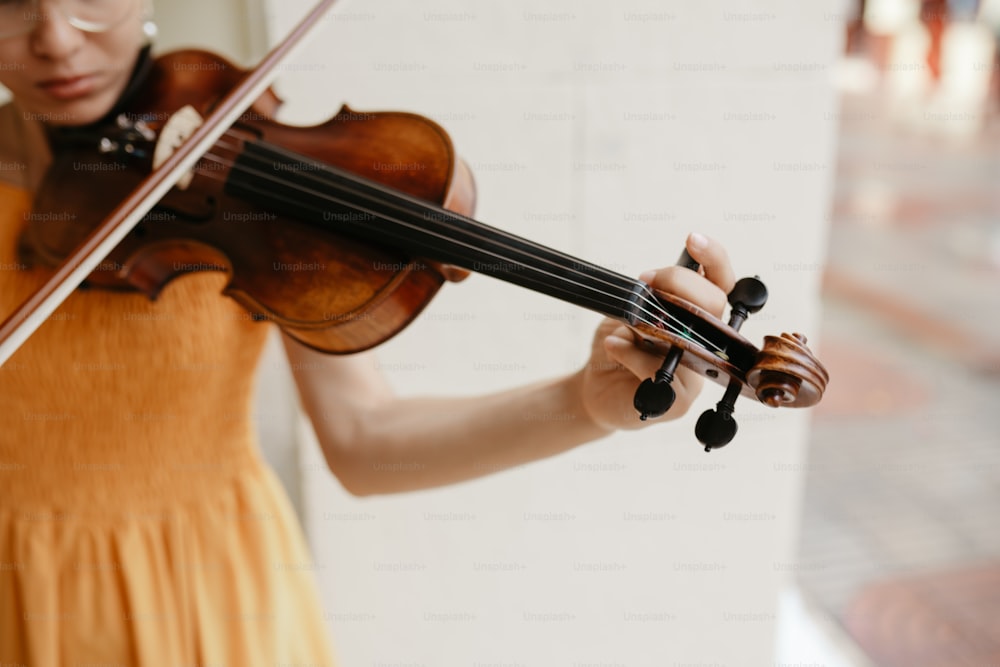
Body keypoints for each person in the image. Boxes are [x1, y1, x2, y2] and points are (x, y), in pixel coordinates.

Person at [0, 0, 736, 664]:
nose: (59, 40)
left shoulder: (238, 153)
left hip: (205, 598)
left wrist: (582, 403)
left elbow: (367, 440)